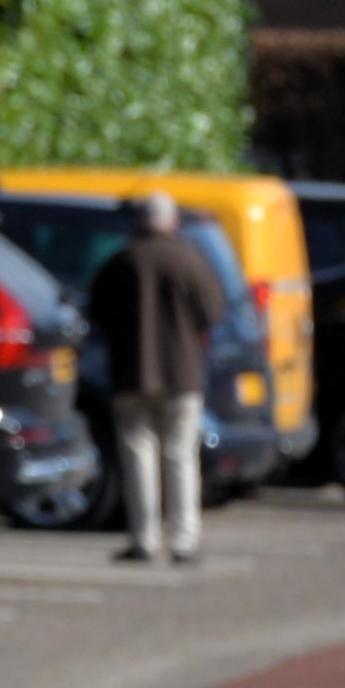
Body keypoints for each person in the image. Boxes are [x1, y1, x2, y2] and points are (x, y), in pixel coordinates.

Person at [85, 192, 228, 564]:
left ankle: (144, 539)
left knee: (138, 457)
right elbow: (212, 313)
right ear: (172, 221)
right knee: (180, 457)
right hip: (182, 375)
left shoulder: (122, 261)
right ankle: (183, 541)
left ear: (139, 222)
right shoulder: (190, 261)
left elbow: (98, 312)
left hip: (131, 374)